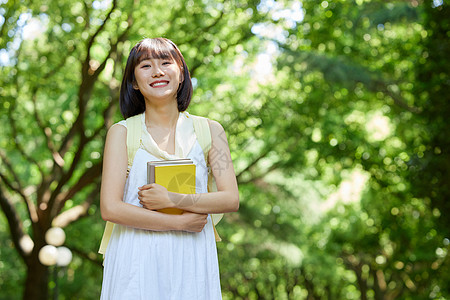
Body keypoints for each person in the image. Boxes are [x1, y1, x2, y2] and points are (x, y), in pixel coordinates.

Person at [99, 37, 239, 299]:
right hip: (135, 258)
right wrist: (179, 223)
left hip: (193, 257)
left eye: (166, 62)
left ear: (182, 74)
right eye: (146, 66)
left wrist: (173, 199)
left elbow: (230, 198)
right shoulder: (121, 133)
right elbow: (110, 208)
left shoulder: (211, 131)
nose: (158, 71)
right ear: (133, 82)